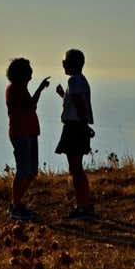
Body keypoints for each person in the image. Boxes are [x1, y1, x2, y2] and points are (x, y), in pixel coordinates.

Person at [5, 58, 50, 220]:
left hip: (28, 132)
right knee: (24, 171)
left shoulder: (20, 88)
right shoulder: (15, 89)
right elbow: (29, 106)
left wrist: (38, 89)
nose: (31, 72)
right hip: (21, 133)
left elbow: (29, 105)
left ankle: (16, 203)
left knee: (30, 172)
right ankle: (15, 206)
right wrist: (39, 89)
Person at [55, 49, 95, 220]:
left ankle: (82, 207)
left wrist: (84, 125)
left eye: (65, 61)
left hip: (74, 128)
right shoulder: (80, 80)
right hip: (77, 126)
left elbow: (79, 105)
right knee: (77, 168)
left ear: (72, 64)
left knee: (76, 169)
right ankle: (84, 204)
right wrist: (63, 95)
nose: (63, 64)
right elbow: (76, 102)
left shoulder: (73, 81)